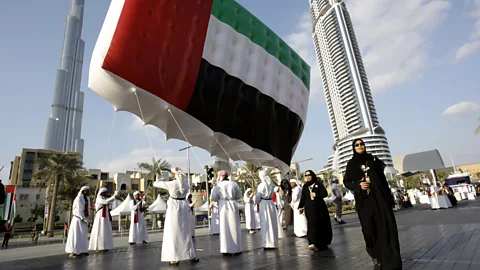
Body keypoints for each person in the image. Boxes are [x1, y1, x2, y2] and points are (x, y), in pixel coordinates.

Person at [343, 138, 402, 269]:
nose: (360, 146)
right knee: (369, 230)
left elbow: (383, 180)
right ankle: (374, 253)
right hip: (364, 203)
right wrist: (358, 185)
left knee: (385, 228)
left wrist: (390, 200)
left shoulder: (373, 160)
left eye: (361, 144)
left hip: (380, 200)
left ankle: (389, 260)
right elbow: (347, 182)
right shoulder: (351, 164)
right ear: (353, 148)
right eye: (356, 145)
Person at [154, 167, 199, 265]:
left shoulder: (171, 184)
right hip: (183, 205)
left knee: (173, 231)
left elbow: (155, 183)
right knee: (185, 231)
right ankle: (190, 255)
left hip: (174, 207)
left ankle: (174, 257)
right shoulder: (186, 184)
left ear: (174, 174)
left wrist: (161, 177)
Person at [298, 171, 332, 251]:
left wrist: (316, 195)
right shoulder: (305, 186)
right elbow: (303, 197)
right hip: (309, 209)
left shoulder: (318, 183)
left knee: (321, 225)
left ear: (312, 175)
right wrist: (300, 206)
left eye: (309, 175)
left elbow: (325, 193)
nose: (307, 177)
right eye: (306, 175)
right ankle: (312, 242)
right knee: (311, 224)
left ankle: (322, 243)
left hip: (319, 209)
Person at [211, 170, 242, 255]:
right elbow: (239, 196)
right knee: (234, 226)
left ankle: (226, 248)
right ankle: (236, 248)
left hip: (223, 206)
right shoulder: (234, 184)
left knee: (224, 227)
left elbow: (213, 198)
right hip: (233, 205)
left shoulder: (218, 185)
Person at [254, 171, 279, 249]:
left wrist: (256, 201)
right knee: (272, 222)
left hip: (264, 203)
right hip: (270, 203)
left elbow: (258, 197)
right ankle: (273, 242)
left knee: (265, 222)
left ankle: (267, 243)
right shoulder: (271, 184)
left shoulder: (261, 185)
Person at [89, 188, 118, 252]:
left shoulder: (104, 198)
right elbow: (105, 202)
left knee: (105, 230)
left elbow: (109, 201)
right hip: (100, 216)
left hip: (105, 216)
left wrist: (115, 196)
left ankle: (104, 246)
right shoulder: (99, 198)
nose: (106, 193)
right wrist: (114, 196)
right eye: (104, 192)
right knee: (100, 230)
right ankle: (99, 247)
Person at [65, 186, 91, 258]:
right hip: (78, 219)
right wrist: (83, 218)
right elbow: (79, 210)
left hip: (84, 220)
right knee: (76, 235)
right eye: (87, 191)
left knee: (83, 236)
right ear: (83, 191)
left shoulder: (87, 199)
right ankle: (73, 252)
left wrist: (88, 218)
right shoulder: (79, 198)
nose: (88, 192)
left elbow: (88, 209)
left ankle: (82, 250)